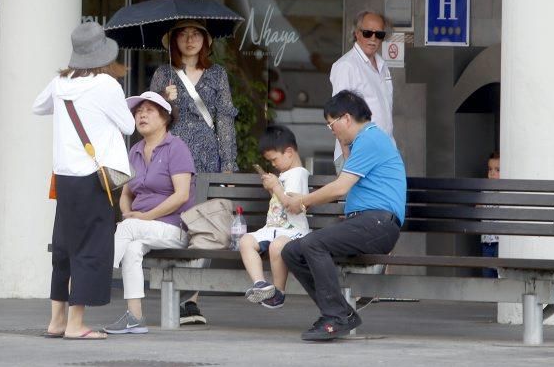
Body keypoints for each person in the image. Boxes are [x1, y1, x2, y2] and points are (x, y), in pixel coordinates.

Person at [32, 22, 135, 341]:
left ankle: (57, 321)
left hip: (65, 177)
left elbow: (38, 107)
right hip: (95, 178)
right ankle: (76, 325)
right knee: (91, 246)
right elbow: (129, 126)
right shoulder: (106, 84)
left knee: (64, 246)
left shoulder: (61, 81)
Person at [279, 90, 406, 342]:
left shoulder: (370, 139)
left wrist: (302, 202)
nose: (331, 130)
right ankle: (339, 312)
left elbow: (340, 188)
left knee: (312, 244)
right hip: (364, 222)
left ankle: (335, 316)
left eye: (331, 123)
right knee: (291, 251)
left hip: (378, 224)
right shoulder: (362, 142)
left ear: (346, 118)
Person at [150, 18, 238, 324]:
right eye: (183, 35)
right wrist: (165, 102)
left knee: (204, 223)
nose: (190, 40)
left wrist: (228, 167)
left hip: (206, 155)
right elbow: (149, 118)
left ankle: (192, 298)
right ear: (173, 41)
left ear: (206, 41)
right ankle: (173, 290)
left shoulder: (217, 74)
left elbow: (225, 120)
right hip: (171, 154)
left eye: (196, 35)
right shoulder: (163, 73)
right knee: (174, 219)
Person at [103, 91, 197, 335]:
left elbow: (182, 195)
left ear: (165, 117)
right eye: (138, 111)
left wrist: (143, 217)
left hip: (175, 227)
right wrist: (127, 212)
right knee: (132, 248)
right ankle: (135, 317)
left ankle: (97, 274)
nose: (141, 115)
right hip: (142, 227)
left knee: (128, 229)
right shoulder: (134, 150)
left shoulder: (176, 148)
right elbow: (126, 194)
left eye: (148, 110)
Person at [239, 125, 310, 309]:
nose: (273, 164)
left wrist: (277, 187)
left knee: (277, 247)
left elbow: (293, 206)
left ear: (289, 152)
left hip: (293, 231)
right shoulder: (286, 174)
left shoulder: (298, 174)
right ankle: (260, 284)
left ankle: (278, 292)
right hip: (272, 229)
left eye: (274, 159)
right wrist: (273, 188)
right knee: (246, 240)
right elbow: (280, 201)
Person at [329, 10, 394, 172]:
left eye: (379, 34)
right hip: (357, 156)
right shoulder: (347, 66)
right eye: (367, 33)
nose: (373, 38)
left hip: (383, 154)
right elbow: (337, 116)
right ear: (357, 34)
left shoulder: (382, 66)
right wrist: (348, 157)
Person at [481, 151, 500, 278]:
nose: (492, 173)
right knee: (487, 276)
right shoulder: (485, 191)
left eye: (497, 170)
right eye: (490, 169)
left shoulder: (504, 192)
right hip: (486, 243)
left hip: (499, 243)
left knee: (499, 274)